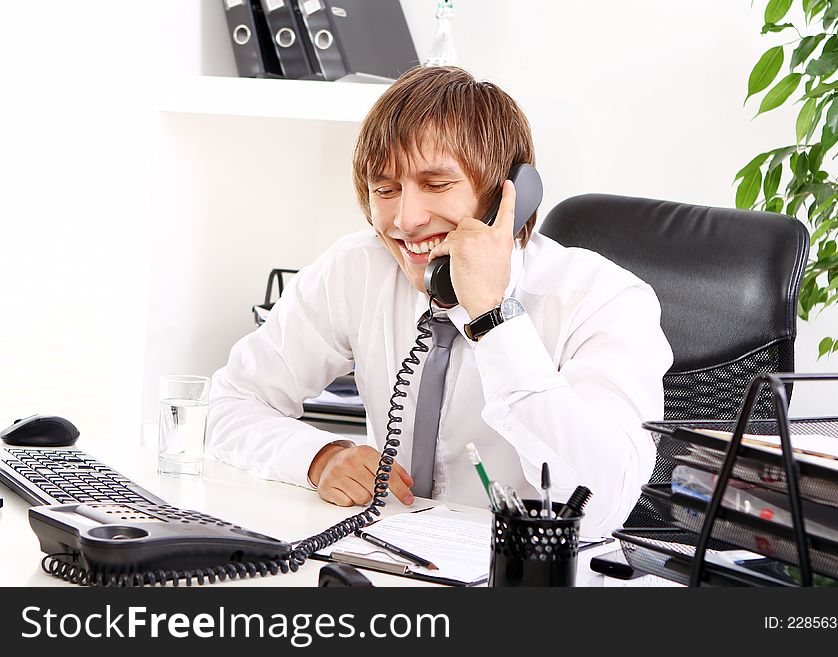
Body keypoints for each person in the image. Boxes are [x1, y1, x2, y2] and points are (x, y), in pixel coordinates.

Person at [206, 66, 672, 536]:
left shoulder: (603, 300)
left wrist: (494, 319)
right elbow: (226, 405)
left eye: (436, 184)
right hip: (387, 565)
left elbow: (600, 505)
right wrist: (318, 457)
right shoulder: (357, 269)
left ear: (504, 195)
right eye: (385, 190)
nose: (406, 220)